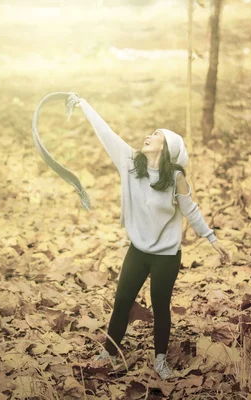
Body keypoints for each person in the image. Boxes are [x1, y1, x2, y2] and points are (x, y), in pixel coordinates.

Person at [72, 94, 231, 380]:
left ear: (167, 147)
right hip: (139, 249)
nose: (148, 136)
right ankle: (110, 352)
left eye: (156, 135)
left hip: (167, 255)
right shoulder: (131, 163)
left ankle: (160, 361)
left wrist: (211, 238)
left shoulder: (176, 179)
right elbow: (106, 133)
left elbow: (190, 210)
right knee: (122, 300)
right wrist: (83, 104)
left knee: (161, 307)